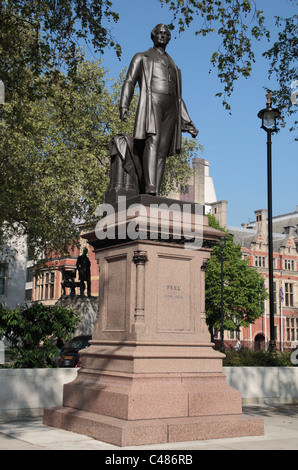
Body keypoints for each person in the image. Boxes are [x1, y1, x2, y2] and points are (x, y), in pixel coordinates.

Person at [120, 23, 198, 196]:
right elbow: (129, 81)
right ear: (153, 36)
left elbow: (179, 98)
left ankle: (156, 189)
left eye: (165, 34)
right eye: (159, 33)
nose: (162, 35)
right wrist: (124, 104)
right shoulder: (142, 57)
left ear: (169, 38)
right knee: (152, 142)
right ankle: (150, 187)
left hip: (171, 107)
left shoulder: (175, 67)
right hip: (152, 101)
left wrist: (188, 122)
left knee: (163, 149)